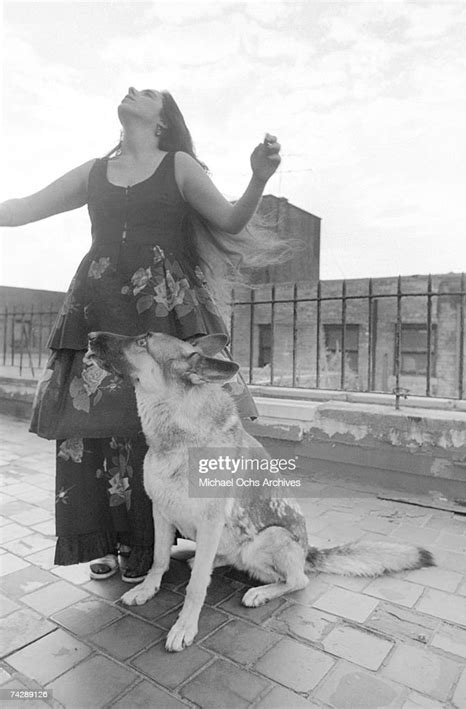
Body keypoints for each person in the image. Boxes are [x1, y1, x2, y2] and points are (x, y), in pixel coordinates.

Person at [0, 86, 283, 582]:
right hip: (98, 304)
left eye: (146, 91)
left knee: (158, 420)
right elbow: (22, 208)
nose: (132, 89)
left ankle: (151, 542)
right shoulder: (93, 172)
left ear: (162, 120)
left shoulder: (177, 165)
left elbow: (232, 218)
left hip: (163, 311)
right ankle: (105, 538)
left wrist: (258, 178)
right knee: (93, 424)